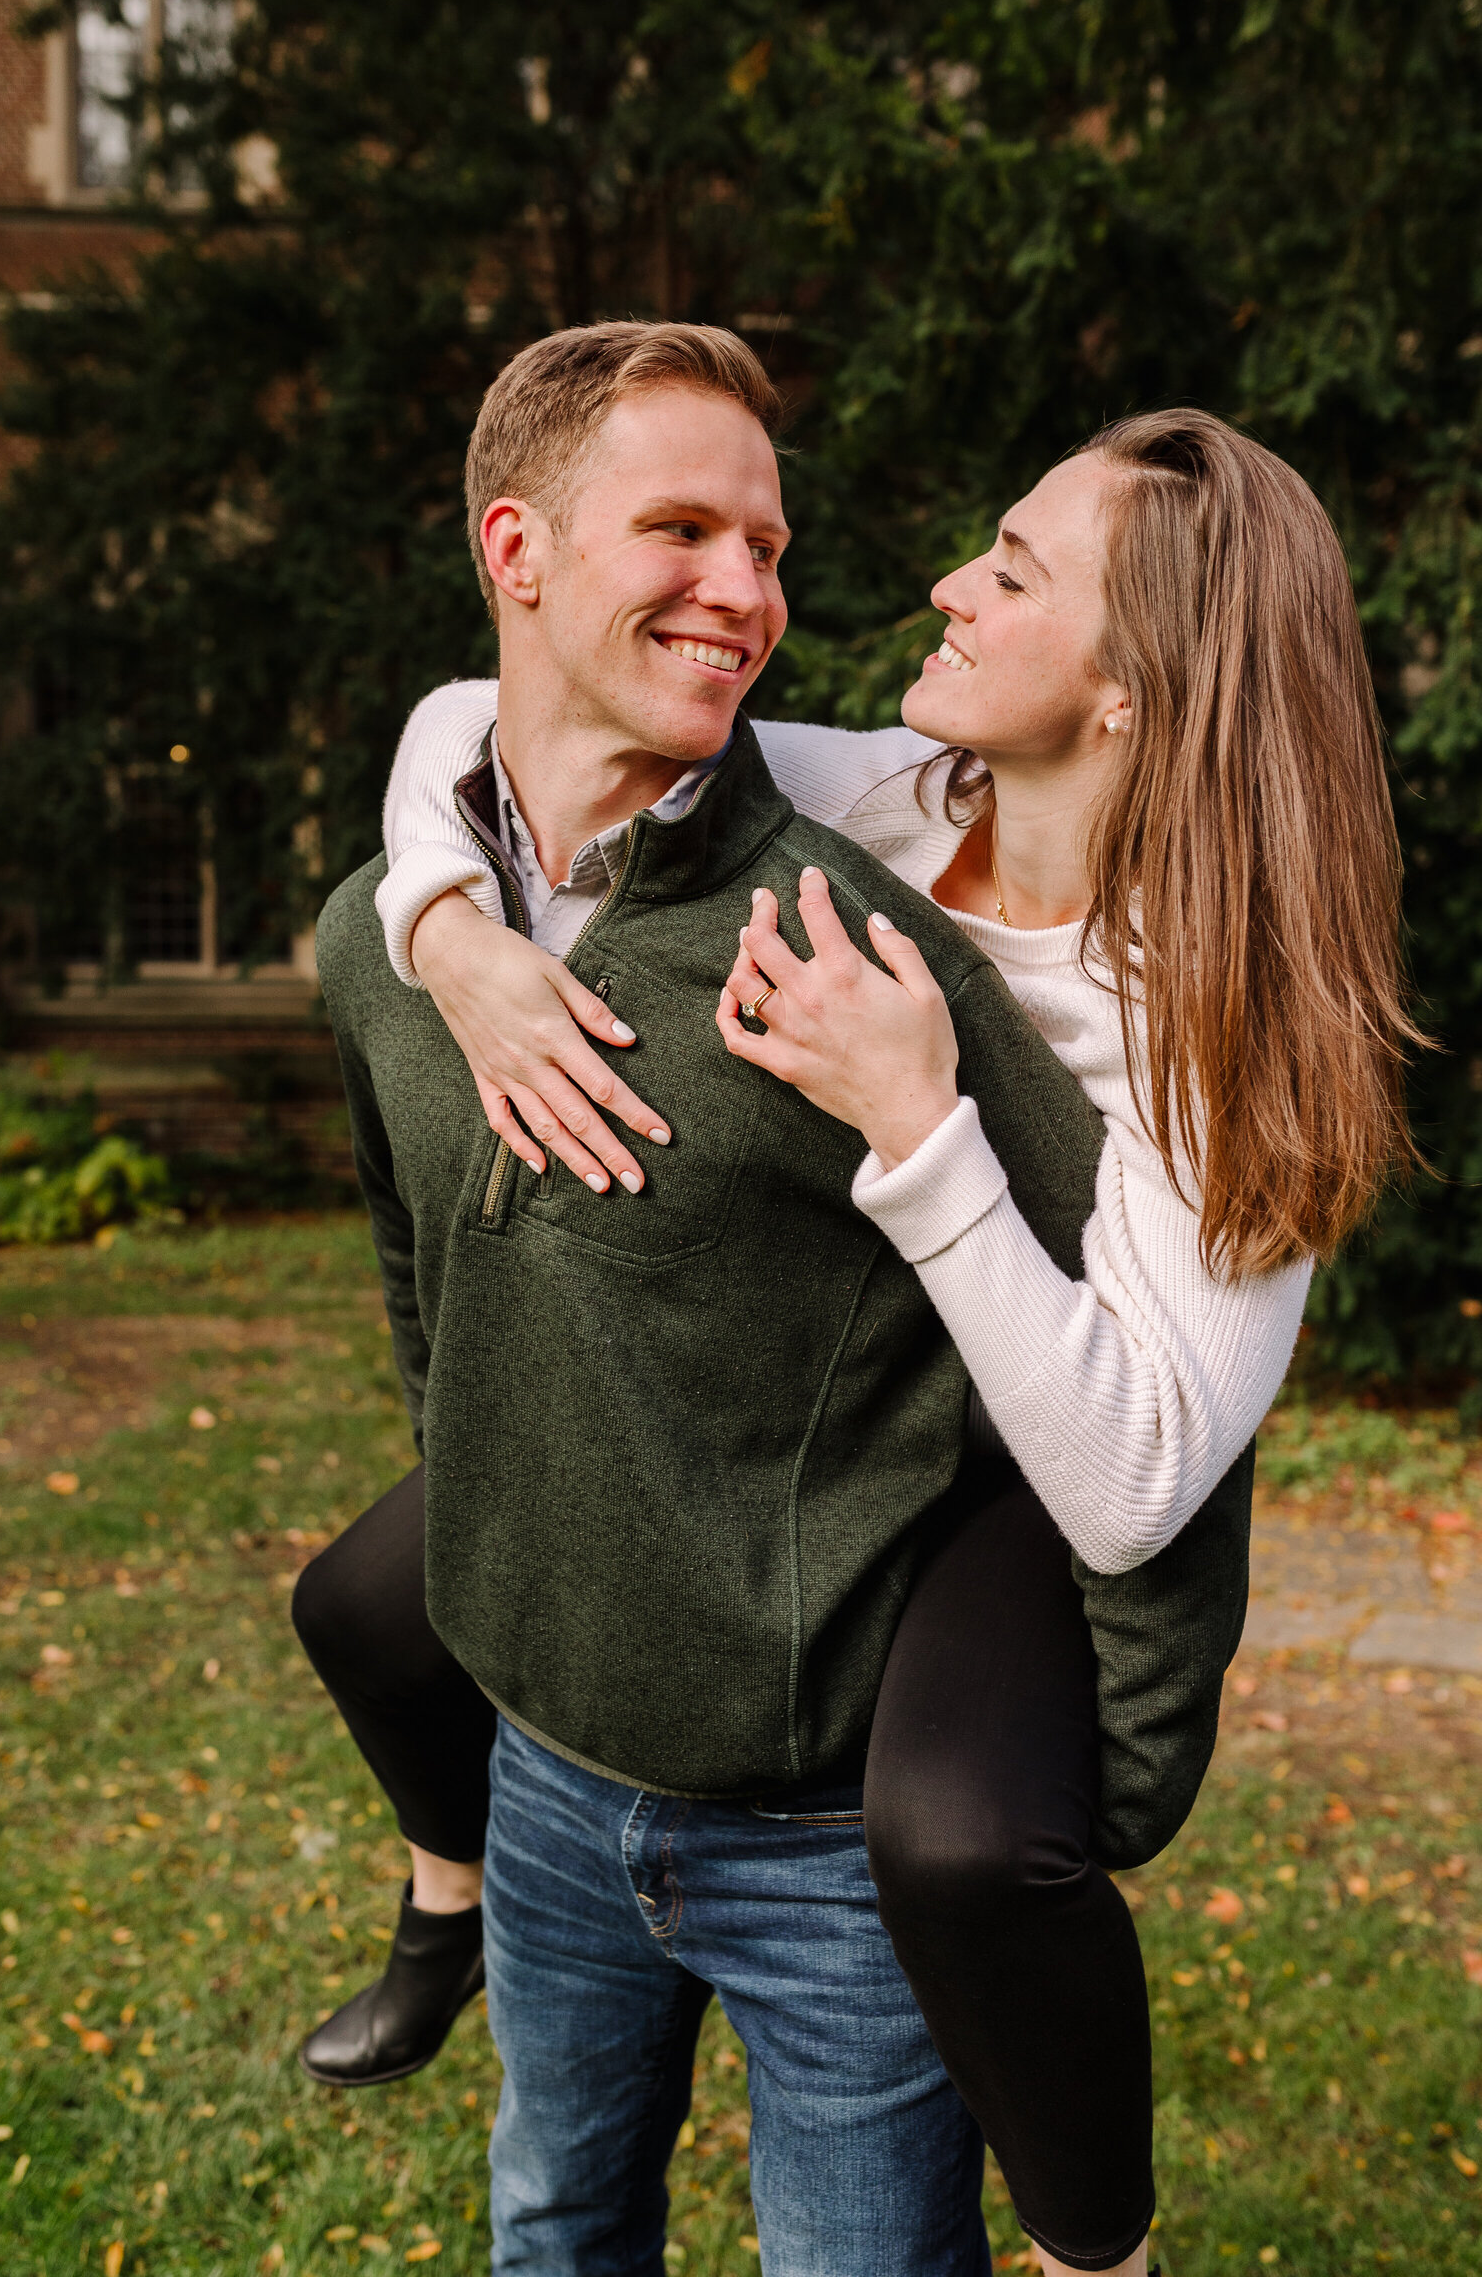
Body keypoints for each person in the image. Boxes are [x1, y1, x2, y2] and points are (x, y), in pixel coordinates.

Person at [315, 394, 1414, 2277]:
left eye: (1008, 569)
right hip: (789, 1410)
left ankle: (1094, 2242)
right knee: (372, 1595)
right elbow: (481, 719)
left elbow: (1140, 1477)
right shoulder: (885, 793)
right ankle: (447, 1886)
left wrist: (923, 1125)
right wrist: (450, 939)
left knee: (966, 1839)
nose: (939, 585)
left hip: (1018, 1469)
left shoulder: (1216, 1023)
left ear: (1135, 687)